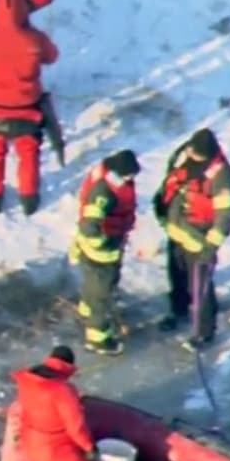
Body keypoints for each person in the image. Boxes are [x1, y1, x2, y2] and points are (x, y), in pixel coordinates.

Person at [0, 0, 59, 216]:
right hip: (27, 108)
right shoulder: (35, 39)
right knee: (28, 152)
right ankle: (29, 197)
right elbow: (52, 56)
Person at [152, 128, 230, 350]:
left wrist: (211, 246)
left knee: (201, 287)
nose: (192, 158)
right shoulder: (187, 157)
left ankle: (205, 332)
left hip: (199, 240)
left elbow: (224, 217)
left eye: (197, 156)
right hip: (177, 232)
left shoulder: (223, 178)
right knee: (177, 276)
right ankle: (178, 310)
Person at [11, 345, 122, 461]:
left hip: (30, 442)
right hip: (53, 453)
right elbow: (75, 427)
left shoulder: (27, 379)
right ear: (69, 366)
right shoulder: (62, 391)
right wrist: (90, 448)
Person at [71, 150, 141, 355]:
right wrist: (104, 243)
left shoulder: (111, 180)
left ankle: (87, 311)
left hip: (105, 245)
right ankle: (98, 338)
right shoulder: (103, 192)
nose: (132, 179)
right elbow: (89, 225)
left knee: (94, 285)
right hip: (101, 250)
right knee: (101, 292)